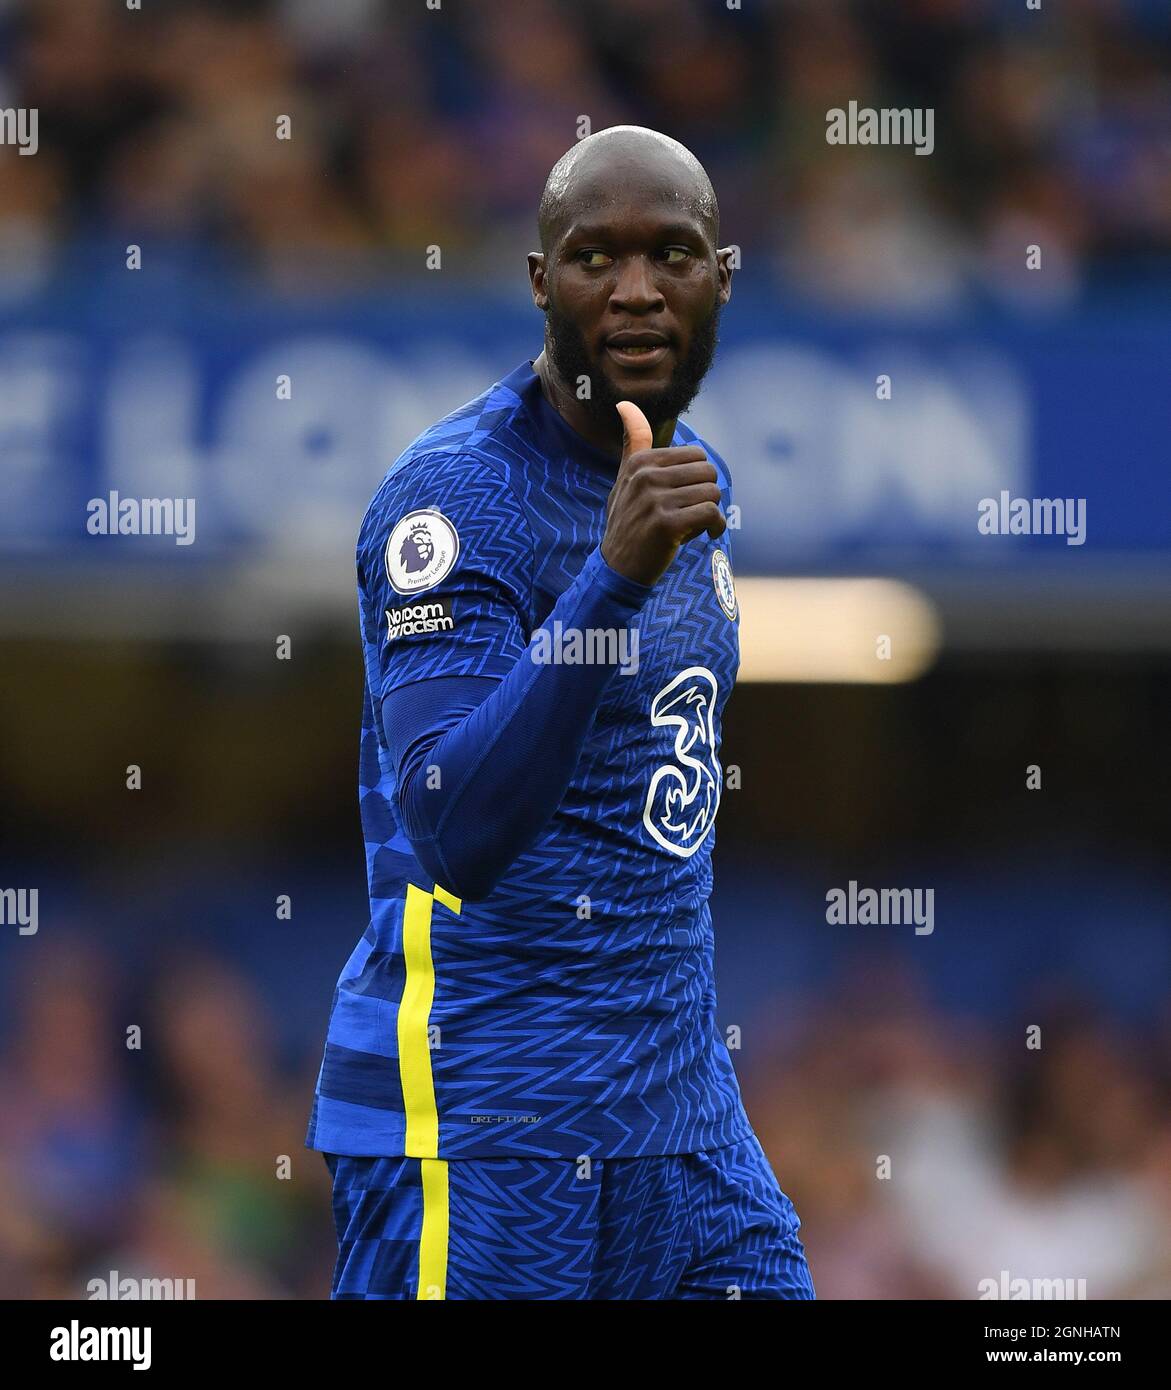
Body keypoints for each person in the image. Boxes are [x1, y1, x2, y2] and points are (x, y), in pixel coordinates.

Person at [306, 125, 813, 1300]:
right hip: (485, 1123)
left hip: (681, 1125)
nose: (635, 291)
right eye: (595, 258)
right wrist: (612, 577)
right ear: (541, 283)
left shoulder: (692, 483)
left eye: (671, 254)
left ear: (720, 277)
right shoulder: (455, 499)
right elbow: (455, 828)